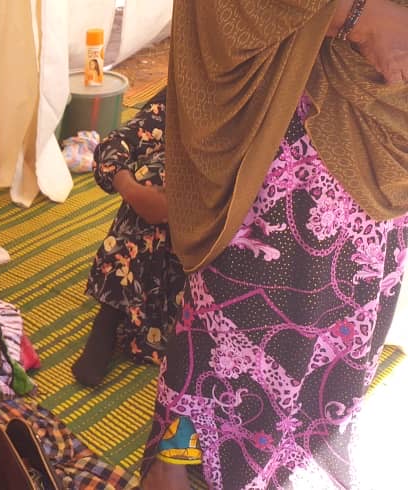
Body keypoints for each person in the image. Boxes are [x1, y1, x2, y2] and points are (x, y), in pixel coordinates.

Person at [142, 0, 408, 488]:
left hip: (387, 143)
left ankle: (281, 471)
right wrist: (360, 16)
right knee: (223, 338)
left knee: (336, 350)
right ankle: (173, 468)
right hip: (302, 128)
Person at [72, 89, 185, 387]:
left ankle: (111, 317)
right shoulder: (184, 91)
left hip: (221, 218)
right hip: (157, 222)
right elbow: (116, 143)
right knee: (155, 178)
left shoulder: (258, 101)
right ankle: (110, 318)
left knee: (171, 176)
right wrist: (134, 192)